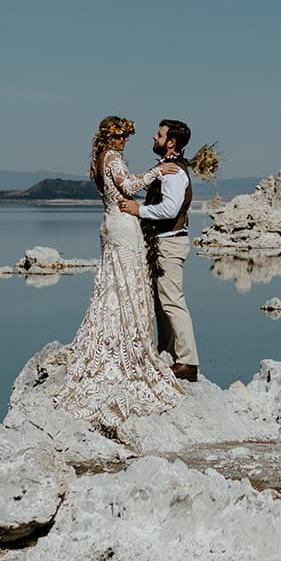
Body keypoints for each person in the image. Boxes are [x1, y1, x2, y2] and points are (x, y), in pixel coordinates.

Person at [53, 116, 186, 431]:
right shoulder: (111, 158)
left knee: (114, 287)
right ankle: (127, 349)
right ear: (112, 137)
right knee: (126, 287)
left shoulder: (101, 159)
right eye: (123, 136)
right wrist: (156, 172)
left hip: (110, 224)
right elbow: (127, 186)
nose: (127, 141)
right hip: (123, 227)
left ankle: (115, 339)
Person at [119, 119, 199, 381]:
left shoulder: (174, 171)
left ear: (171, 142)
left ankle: (188, 361)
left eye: (159, 134)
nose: (154, 137)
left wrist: (138, 210)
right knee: (162, 301)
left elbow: (170, 209)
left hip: (170, 242)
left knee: (172, 301)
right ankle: (166, 351)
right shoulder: (168, 168)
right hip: (163, 241)